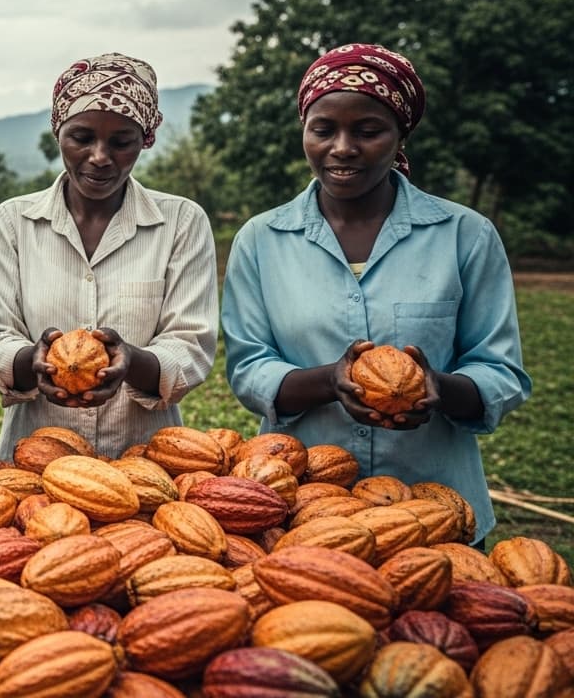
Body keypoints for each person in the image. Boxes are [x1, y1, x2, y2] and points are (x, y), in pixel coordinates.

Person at [222, 43, 531, 544]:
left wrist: (437, 388)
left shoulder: (464, 235)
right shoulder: (262, 239)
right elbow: (249, 367)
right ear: (304, 130)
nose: (343, 147)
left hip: (436, 512)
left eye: (368, 131)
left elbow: (501, 372)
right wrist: (331, 381)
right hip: (305, 511)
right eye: (323, 129)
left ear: (401, 134)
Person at [0, 53, 218, 460]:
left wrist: (132, 362)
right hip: (34, 460)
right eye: (82, 137)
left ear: (144, 140)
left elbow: (190, 345)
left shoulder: (181, 222)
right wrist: (34, 361)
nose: (100, 156)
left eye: (121, 142)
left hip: (145, 462)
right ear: (58, 132)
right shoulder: (12, 222)